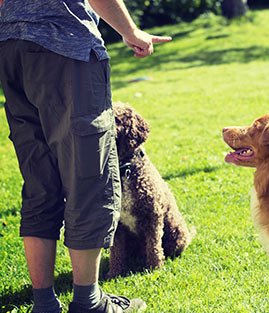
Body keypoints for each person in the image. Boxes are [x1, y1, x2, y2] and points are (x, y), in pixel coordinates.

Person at [0, 0, 172, 312]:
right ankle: (89, 303)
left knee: (40, 183)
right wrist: (131, 31)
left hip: (11, 52)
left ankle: (44, 305)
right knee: (90, 178)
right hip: (65, 49)